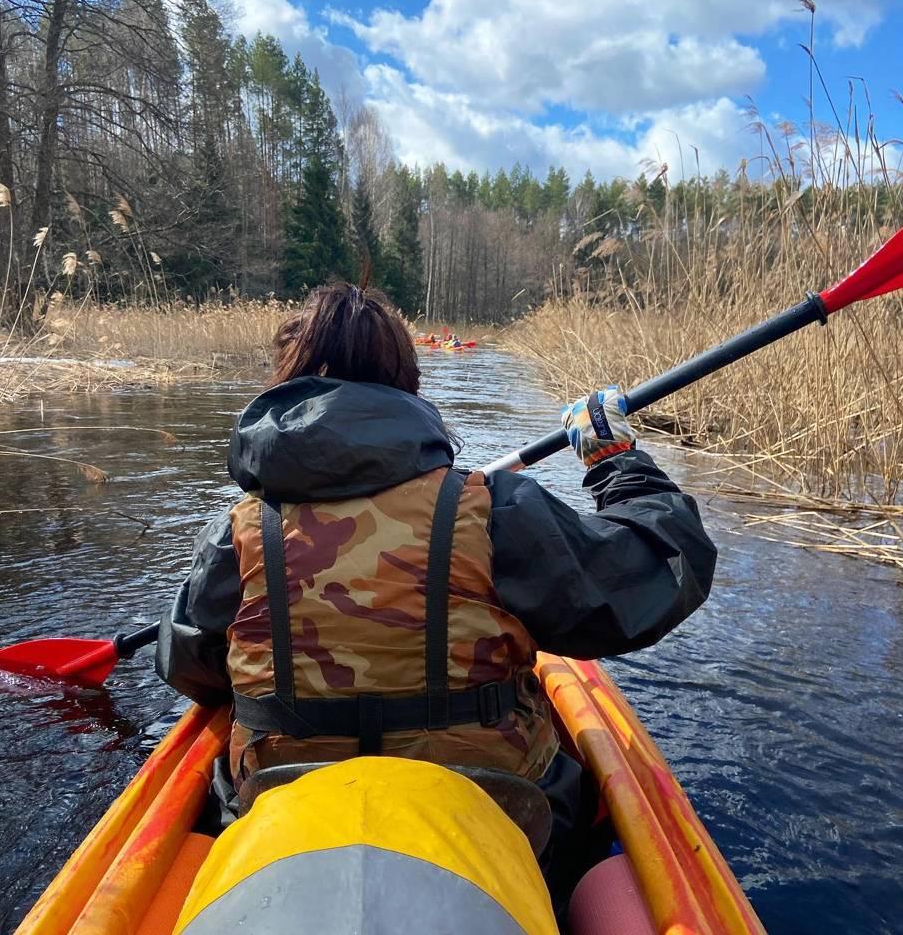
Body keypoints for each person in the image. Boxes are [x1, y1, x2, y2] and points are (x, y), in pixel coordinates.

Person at [156, 282, 716, 913]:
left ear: (285, 384)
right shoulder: (496, 510)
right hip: (503, 810)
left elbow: (190, 670)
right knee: (581, 827)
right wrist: (616, 463)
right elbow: (660, 570)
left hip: (278, 804)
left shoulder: (237, 531)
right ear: (408, 382)